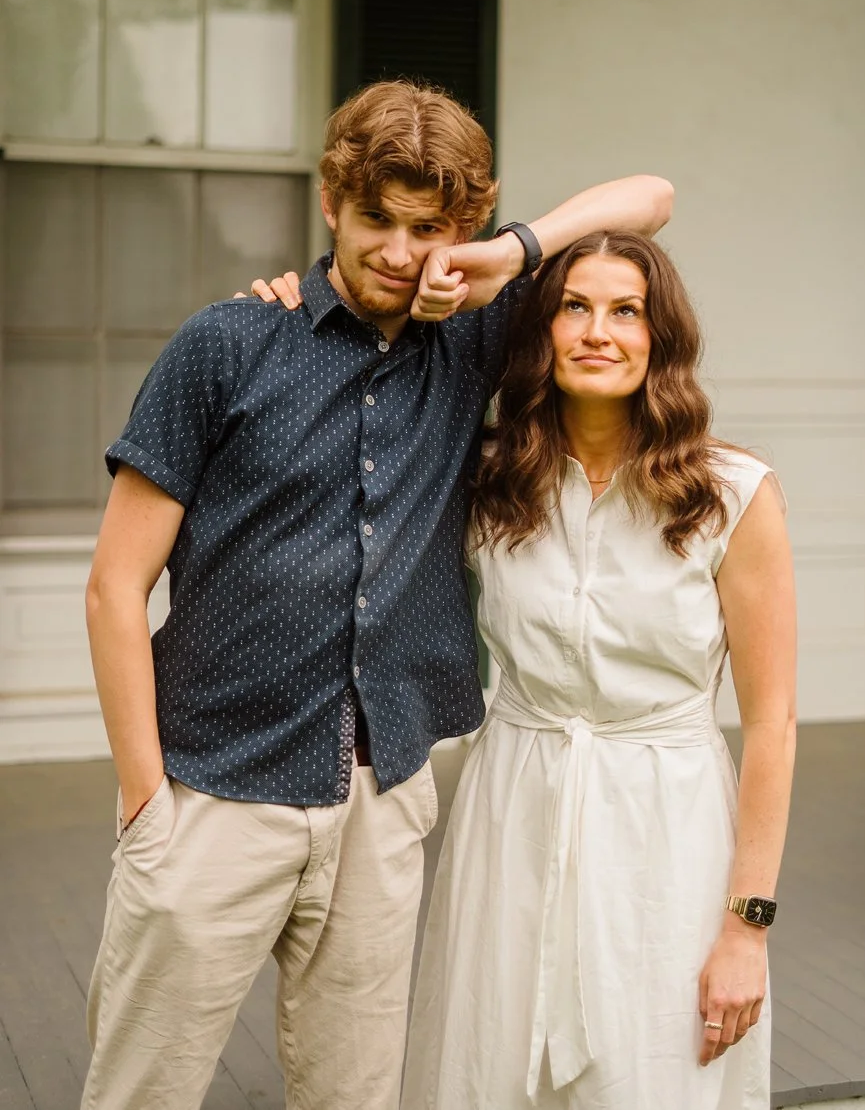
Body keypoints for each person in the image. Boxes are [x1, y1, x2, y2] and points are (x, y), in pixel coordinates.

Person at [81, 78, 673, 1110]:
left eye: (429, 228)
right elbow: (111, 588)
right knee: (142, 1091)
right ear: (330, 204)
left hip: (381, 795)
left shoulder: (475, 340)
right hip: (212, 789)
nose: (399, 252)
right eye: (377, 220)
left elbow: (651, 198)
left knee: (353, 1094)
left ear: (464, 227)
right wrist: (145, 802)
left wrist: (509, 255)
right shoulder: (227, 343)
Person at [399, 230, 797, 1110]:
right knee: (490, 1065)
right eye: (574, 307)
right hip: (514, 808)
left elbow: (773, 723)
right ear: (542, 330)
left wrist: (748, 927)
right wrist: (293, 299)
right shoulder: (489, 479)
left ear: (662, 338)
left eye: (627, 311)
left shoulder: (733, 493)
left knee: (653, 1073)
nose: (597, 331)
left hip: (668, 826)